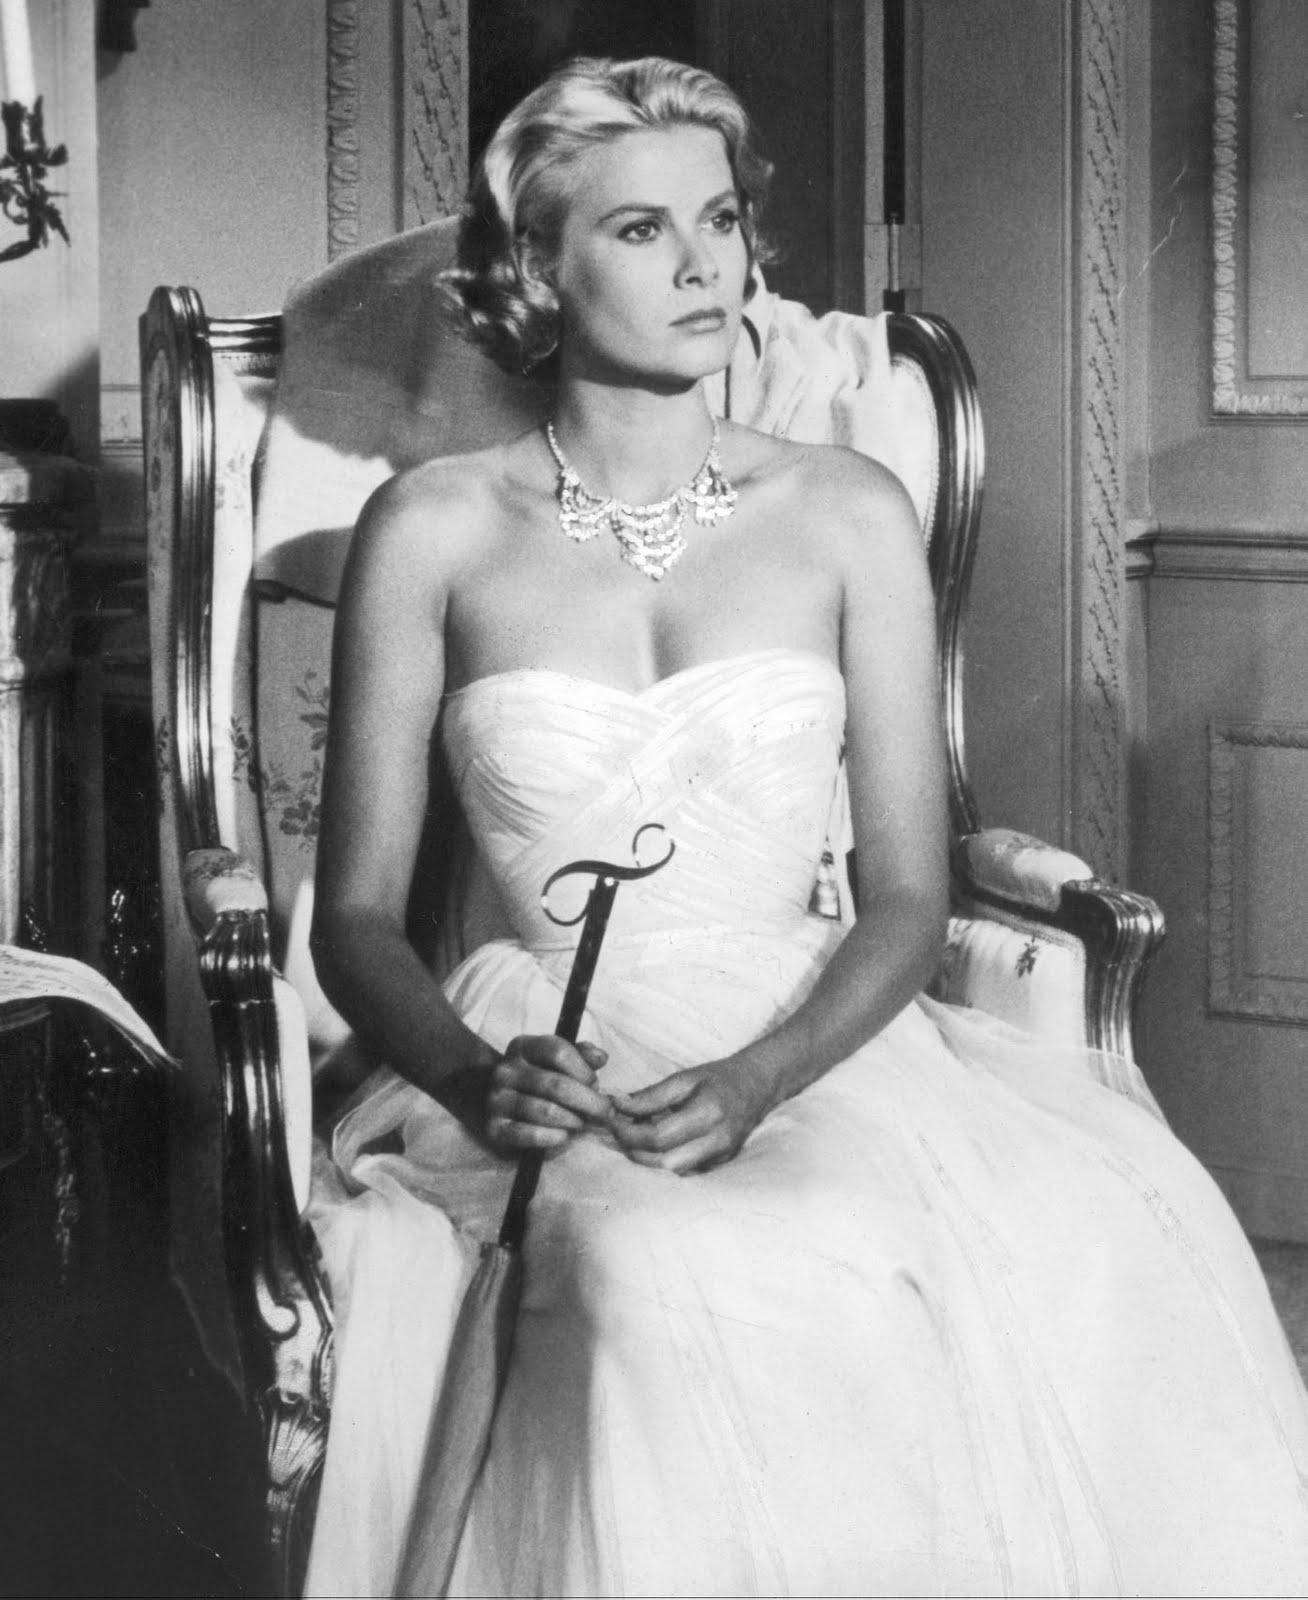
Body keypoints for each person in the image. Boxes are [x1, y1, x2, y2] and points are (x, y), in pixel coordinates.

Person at [305, 55, 1308, 1597]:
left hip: (808, 1029)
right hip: (538, 1047)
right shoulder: (431, 530)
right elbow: (357, 917)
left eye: (719, 220)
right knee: (648, 1262)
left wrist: (761, 1076)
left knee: (995, 1234)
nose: (705, 265)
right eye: (641, 229)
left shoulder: (846, 512)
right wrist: (470, 1076)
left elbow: (907, 894)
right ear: (539, 268)